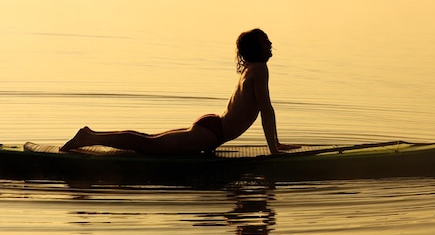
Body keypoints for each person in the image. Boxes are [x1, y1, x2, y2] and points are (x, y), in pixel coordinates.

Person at [60, 28, 298, 155]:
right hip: (210, 133)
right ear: (257, 48)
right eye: (265, 41)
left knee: (149, 140)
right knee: (149, 146)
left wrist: (277, 144)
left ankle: (91, 135)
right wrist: (274, 149)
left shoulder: (252, 69)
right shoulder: (259, 70)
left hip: (211, 129)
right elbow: (266, 110)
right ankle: (89, 138)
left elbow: (265, 111)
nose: (270, 44)